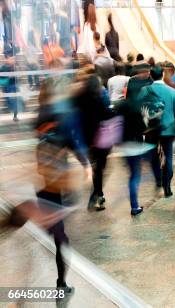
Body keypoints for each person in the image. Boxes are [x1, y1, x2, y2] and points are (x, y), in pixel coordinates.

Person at [36, 73, 91, 293]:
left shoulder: (41, 115)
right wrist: (85, 165)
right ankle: (61, 282)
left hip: (44, 183)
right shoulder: (61, 115)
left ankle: (61, 281)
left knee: (59, 233)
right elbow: (70, 142)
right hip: (57, 183)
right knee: (61, 238)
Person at [73, 66, 114, 211]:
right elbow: (108, 115)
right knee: (100, 168)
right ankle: (97, 196)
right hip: (102, 139)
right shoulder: (99, 99)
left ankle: (97, 194)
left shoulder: (79, 99)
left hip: (87, 139)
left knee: (97, 167)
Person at [115, 61, 152, 216]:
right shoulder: (139, 108)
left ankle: (135, 205)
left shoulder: (120, 105)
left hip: (124, 145)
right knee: (136, 175)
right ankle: (134, 206)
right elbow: (143, 128)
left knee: (133, 175)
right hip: (135, 144)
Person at [142, 65, 175, 198]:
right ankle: (167, 186)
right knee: (168, 156)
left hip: (151, 129)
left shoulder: (144, 90)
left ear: (150, 75)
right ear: (163, 74)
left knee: (153, 155)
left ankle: (158, 179)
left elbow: (140, 108)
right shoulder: (172, 91)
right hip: (168, 129)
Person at [0, 49, 22, 121]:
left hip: (14, 86)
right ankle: (10, 110)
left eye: (14, 59)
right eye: (12, 58)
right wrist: (8, 77)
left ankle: (15, 115)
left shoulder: (14, 66)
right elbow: (1, 80)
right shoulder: (3, 67)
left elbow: (19, 76)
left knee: (14, 101)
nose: (13, 60)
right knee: (10, 101)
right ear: (7, 58)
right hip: (8, 87)